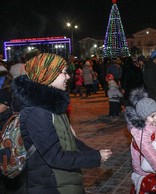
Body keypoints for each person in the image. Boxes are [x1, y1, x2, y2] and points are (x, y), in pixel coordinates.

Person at [11, 53, 112, 194]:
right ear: (48, 75)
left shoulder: (52, 104)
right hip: (50, 185)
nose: (68, 77)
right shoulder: (37, 111)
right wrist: (94, 157)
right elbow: (54, 156)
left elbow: (70, 140)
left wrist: (94, 153)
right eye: (64, 73)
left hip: (64, 180)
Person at [125, 87, 156, 194]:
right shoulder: (141, 132)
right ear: (143, 117)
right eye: (153, 116)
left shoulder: (154, 124)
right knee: (144, 186)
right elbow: (147, 149)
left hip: (151, 162)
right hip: (143, 166)